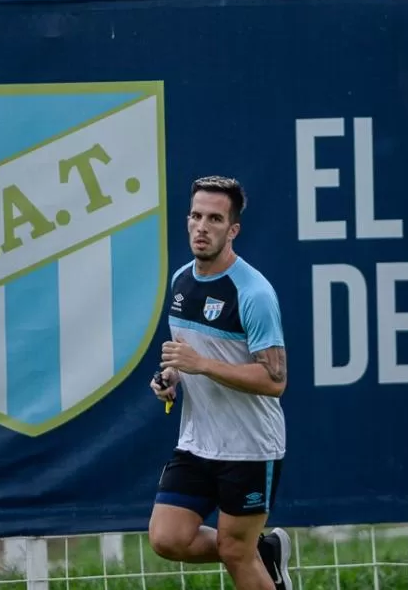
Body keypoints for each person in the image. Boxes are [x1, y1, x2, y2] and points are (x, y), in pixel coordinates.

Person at [149, 175, 292, 590]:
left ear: (233, 230)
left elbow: (275, 380)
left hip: (249, 448)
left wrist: (201, 364)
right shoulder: (181, 280)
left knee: (234, 552)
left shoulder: (254, 293)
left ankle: (254, 557)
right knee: (167, 538)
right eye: (195, 216)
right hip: (196, 442)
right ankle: (263, 554)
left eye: (214, 219)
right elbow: (185, 356)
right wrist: (172, 378)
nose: (201, 226)